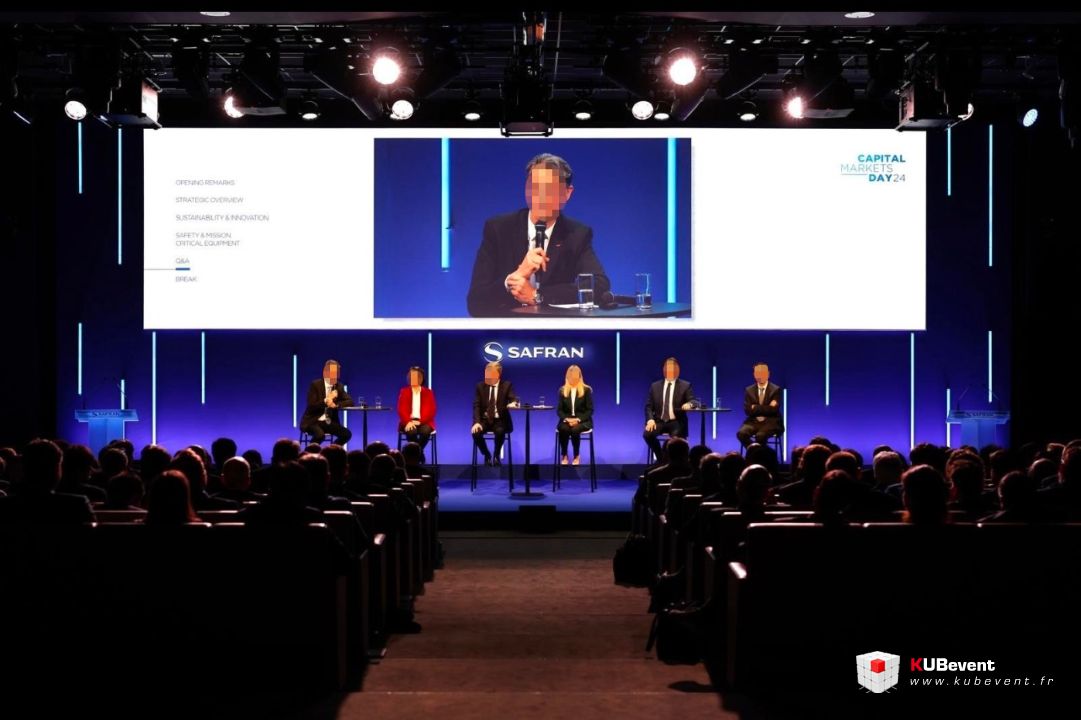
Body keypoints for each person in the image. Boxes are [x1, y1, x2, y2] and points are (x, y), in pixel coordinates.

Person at [466, 153, 611, 317]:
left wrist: (538, 296)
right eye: (535, 186)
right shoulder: (499, 229)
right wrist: (513, 278)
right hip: (508, 327)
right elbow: (475, 302)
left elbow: (599, 284)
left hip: (555, 329)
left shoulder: (576, 234)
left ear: (567, 193)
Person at [643, 357, 697, 462]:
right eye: (668, 368)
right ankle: (661, 459)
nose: (670, 371)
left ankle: (672, 462)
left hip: (676, 421)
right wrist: (650, 419)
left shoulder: (685, 385)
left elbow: (694, 401)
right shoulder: (655, 386)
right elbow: (648, 406)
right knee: (647, 434)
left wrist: (689, 404)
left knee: (675, 440)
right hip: (659, 421)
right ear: (664, 370)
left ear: (677, 370)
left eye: (673, 369)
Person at [471, 361, 519, 466]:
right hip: (484, 420)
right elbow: (476, 405)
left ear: (498, 374)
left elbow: (513, 398)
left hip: (500, 420)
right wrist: (477, 422)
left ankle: (496, 455)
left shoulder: (506, 385)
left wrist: (514, 403)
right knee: (475, 433)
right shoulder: (480, 386)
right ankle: (487, 454)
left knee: (500, 431)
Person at [299, 359, 353, 445]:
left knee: (346, 434)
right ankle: (310, 452)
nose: (337, 376)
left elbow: (350, 401)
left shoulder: (339, 386)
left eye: (337, 373)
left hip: (328, 422)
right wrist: (326, 400)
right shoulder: (315, 385)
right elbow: (311, 405)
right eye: (334, 373)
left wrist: (336, 405)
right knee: (320, 435)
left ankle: (331, 451)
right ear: (326, 373)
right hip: (313, 421)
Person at [736, 362, 784, 448]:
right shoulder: (749, 390)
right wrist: (767, 407)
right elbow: (748, 410)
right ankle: (754, 451)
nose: (760, 376)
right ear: (754, 374)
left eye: (763, 373)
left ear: (768, 374)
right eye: (758, 373)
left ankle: (759, 453)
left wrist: (755, 407)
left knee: (760, 436)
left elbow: (773, 410)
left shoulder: (775, 390)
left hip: (771, 422)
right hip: (753, 422)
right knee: (741, 433)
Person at [556, 364, 594, 465]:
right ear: (568, 376)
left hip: (583, 421)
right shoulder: (562, 390)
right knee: (564, 429)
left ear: (579, 376)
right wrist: (567, 419)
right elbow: (559, 410)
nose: (573, 378)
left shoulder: (586, 390)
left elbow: (590, 410)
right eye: (571, 375)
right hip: (567, 420)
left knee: (575, 429)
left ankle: (576, 455)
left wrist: (578, 420)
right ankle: (564, 455)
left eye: (575, 375)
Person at [397, 366, 436, 453]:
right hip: (408, 421)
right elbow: (401, 409)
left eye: (416, 377)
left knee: (425, 432)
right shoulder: (404, 391)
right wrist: (408, 421)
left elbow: (431, 410)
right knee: (411, 432)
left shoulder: (428, 393)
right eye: (411, 377)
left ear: (421, 379)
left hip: (424, 422)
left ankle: (416, 454)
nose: (413, 379)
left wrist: (420, 421)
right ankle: (418, 454)